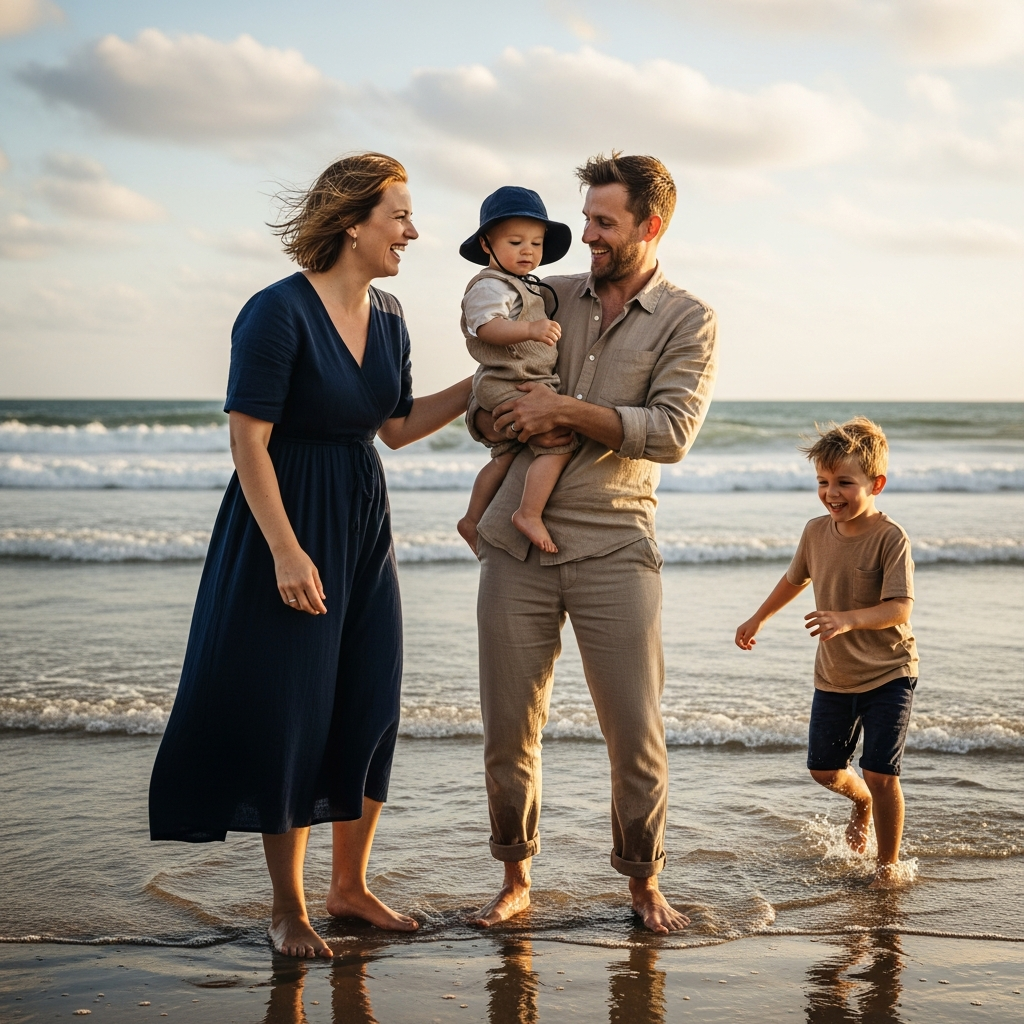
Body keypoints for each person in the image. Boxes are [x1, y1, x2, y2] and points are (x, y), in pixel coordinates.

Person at [148, 153, 473, 958]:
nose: (413, 230)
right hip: (283, 525)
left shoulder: (391, 315)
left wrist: (481, 381)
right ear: (353, 222)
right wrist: (287, 552)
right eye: (399, 215)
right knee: (290, 710)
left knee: (371, 698)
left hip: (363, 521)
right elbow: (247, 441)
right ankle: (288, 907)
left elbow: (394, 427)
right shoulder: (276, 312)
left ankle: (349, 886)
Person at [466, 153, 719, 934]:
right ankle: (515, 879)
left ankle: (643, 884)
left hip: (617, 547)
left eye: (604, 223)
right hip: (518, 543)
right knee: (509, 729)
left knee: (635, 735)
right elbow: (490, 396)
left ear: (652, 225)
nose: (587, 236)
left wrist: (567, 412)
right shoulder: (547, 293)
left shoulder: (689, 318)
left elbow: (672, 432)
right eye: (586, 219)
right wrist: (497, 420)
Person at [735, 417, 919, 886]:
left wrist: (847, 618)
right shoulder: (816, 531)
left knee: (880, 773)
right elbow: (795, 579)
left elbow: (899, 608)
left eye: (844, 483)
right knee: (823, 768)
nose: (831, 493)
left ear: (875, 483)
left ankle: (887, 866)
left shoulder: (890, 537)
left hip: (889, 672)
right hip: (834, 674)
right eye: (822, 482)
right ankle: (860, 802)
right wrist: (758, 618)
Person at [455, 186, 577, 555]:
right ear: (486, 245)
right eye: (515, 241)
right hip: (510, 381)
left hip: (517, 379)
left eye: (536, 244)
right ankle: (528, 513)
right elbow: (486, 327)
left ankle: (471, 519)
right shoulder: (490, 286)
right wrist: (530, 329)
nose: (528, 251)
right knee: (558, 442)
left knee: (504, 455)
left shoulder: (525, 286)